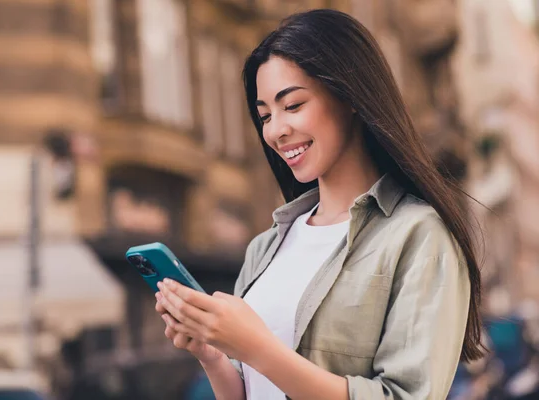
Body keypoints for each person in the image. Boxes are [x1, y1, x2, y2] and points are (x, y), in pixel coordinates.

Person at [155, 9, 485, 400]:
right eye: (265, 115)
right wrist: (211, 355)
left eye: (292, 106)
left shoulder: (418, 234)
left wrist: (257, 347)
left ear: (350, 97)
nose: (276, 131)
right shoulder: (266, 248)